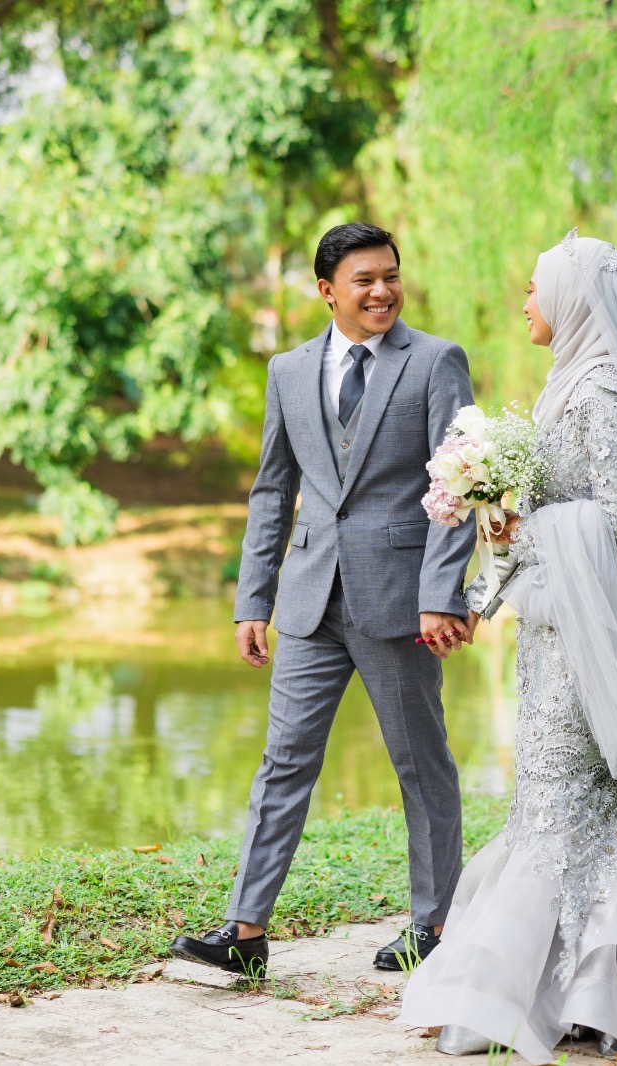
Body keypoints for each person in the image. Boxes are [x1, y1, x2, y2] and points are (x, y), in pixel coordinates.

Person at [395, 231, 617, 1062]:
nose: (525, 302)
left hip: (584, 637)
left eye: (535, 288)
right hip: (552, 630)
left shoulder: (604, 389)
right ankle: (594, 990)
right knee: (570, 803)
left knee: (558, 799)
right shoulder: (569, 381)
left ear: (574, 300)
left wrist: (522, 523)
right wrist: (479, 595)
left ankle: (535, 994)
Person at [171, 223, 477, 978]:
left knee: (420, 764)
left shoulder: (435, 361)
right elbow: (273, 489)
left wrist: (440, 594)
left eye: (390, 276)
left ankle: (434, 927)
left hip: (401, 603)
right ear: (326, 290)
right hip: (310, 600)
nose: (382, 291)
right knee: (282, 762)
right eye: (364, 280)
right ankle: (245, 934)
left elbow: (459, 486)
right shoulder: (288, 370)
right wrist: (254, 599)